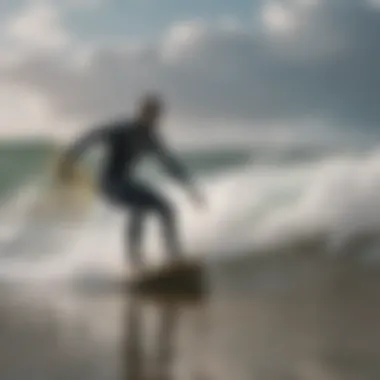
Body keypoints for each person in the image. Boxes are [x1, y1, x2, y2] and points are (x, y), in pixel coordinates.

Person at [57, 94, 204, 271]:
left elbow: (169, 164)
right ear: (141, 113)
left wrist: (190, 188)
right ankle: (135, 262)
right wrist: (70, 159)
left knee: (167, 209)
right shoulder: (122, 130)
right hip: (109, 184)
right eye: (149, 113)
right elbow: (92, 136)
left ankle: (174, 258)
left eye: (156, 115)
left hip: (126, 183)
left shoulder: (151, 139)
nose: (153, 118)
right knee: (139, 206)